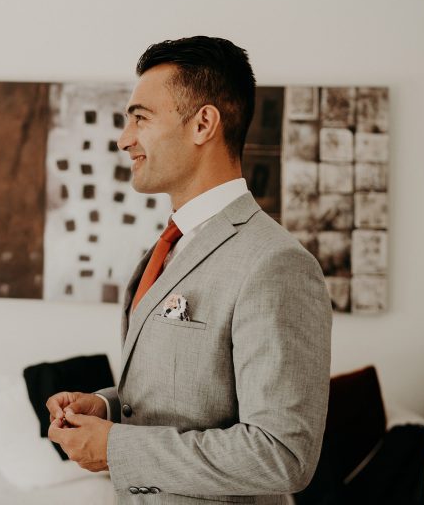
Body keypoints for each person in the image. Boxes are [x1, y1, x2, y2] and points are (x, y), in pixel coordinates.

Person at [46, 36, 331, 504]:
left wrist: (115, 447)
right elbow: (193, 395)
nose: (124, 139)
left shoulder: (277, 264)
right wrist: (107, 407)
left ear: (203, 124)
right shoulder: (170, 247)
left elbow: (283, 454)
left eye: (140, 117)